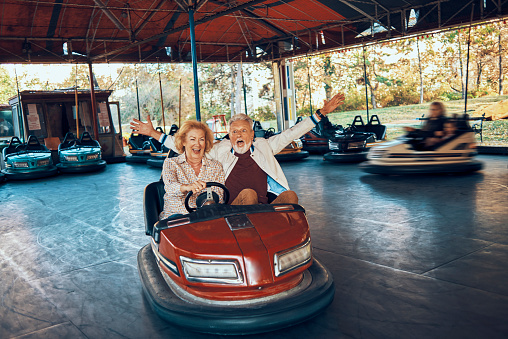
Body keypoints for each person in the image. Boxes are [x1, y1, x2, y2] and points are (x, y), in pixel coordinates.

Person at [132, 93, 345, 205]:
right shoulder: (219, 149)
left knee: (291, 197)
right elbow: (187, 145)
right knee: (249, 194)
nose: (239, 135)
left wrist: (321, 113)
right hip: (233, 207)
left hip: (264, 205)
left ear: (252, 135)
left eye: (244, 131)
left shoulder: (265, 145)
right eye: (234, 132)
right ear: (229, 135)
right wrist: (154, 134)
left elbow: (292, 133)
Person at [159, 120, 225, 219]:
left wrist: (209, 201)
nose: (197, 144)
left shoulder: (216, 166)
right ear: (184, 141)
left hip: (205, 217)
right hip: (177, 217)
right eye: (192, 139)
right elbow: (170, 187)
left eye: (201, 139)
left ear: (206, 142)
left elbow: (218, 195)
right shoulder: (171, 163)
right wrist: (187, 187)